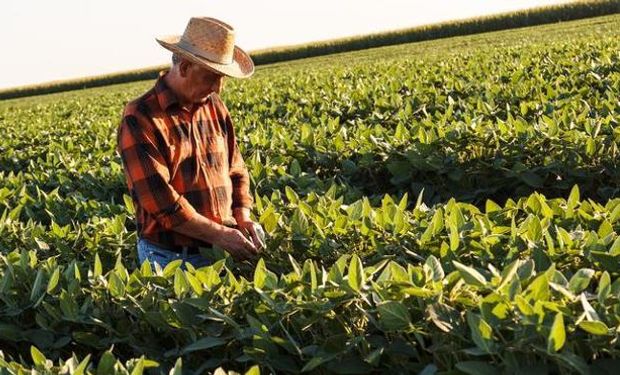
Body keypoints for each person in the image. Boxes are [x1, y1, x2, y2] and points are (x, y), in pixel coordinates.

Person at [116, 17, 264, 269]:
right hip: (171, 258)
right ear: (184, 67)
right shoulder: (141, 117)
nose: (218, 88)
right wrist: (220, 235)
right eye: (211, 77)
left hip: (222, 248)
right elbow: (163, 205)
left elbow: (236, 169)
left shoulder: (215, 107)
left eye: (222, 78)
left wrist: (242, 216)